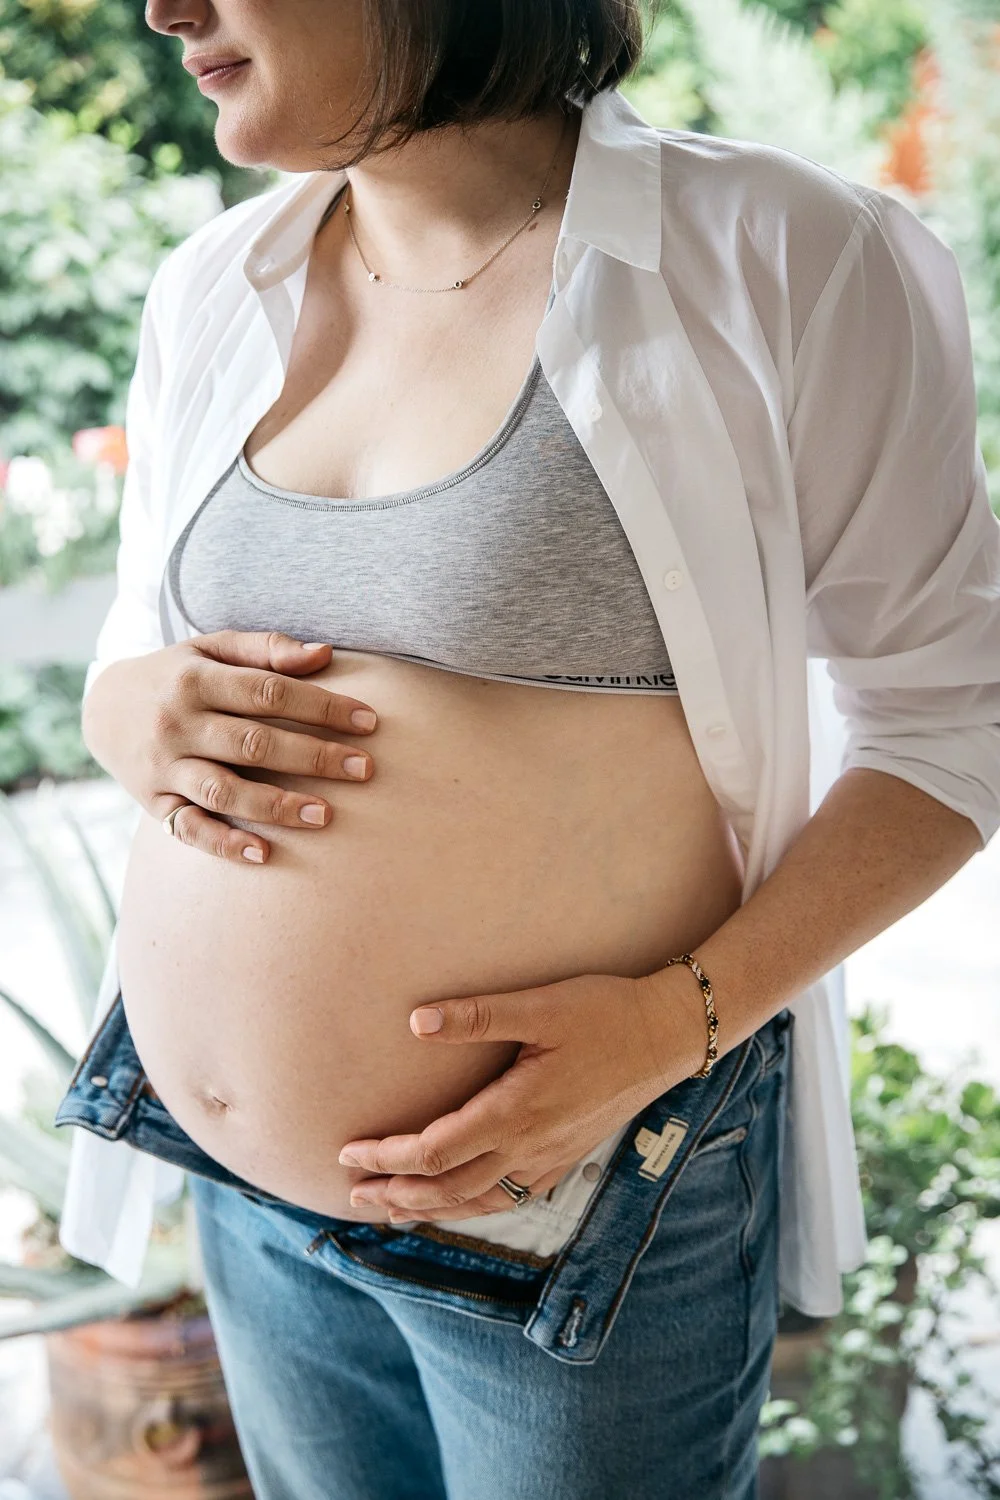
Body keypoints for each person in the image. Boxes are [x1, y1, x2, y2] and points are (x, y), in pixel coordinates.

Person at [53, 2, 1000, 1497]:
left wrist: (677, 1023)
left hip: (572, 1193)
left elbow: (954, 722)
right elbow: (132, 650)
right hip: (239, 1194)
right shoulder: (212, 288)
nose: (167, 6)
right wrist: (128, 712)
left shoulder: (789, 256)